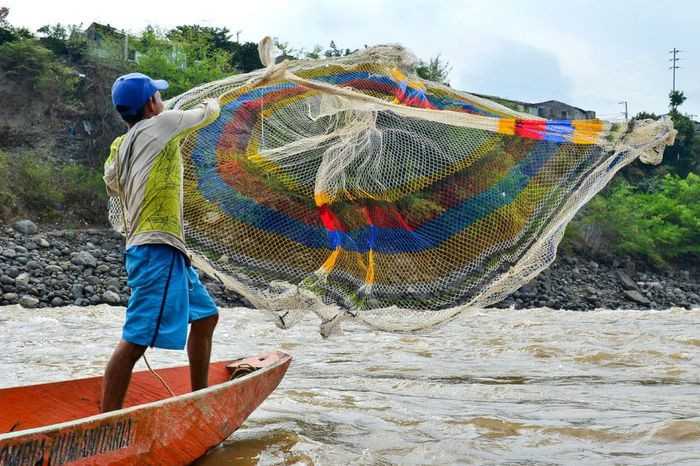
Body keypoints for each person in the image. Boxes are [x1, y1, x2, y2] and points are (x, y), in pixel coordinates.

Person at [101, 73, 221, 412]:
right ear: (152, 104)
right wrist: (219, 98)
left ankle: (199, 397)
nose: (163, 101)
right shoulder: (164, 123)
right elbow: (209, 113)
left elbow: (112, 182)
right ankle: (106, 421)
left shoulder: (119, 146)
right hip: (157, 250)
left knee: (206, 316)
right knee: (135, 340)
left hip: (163, 249)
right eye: (159, 95)